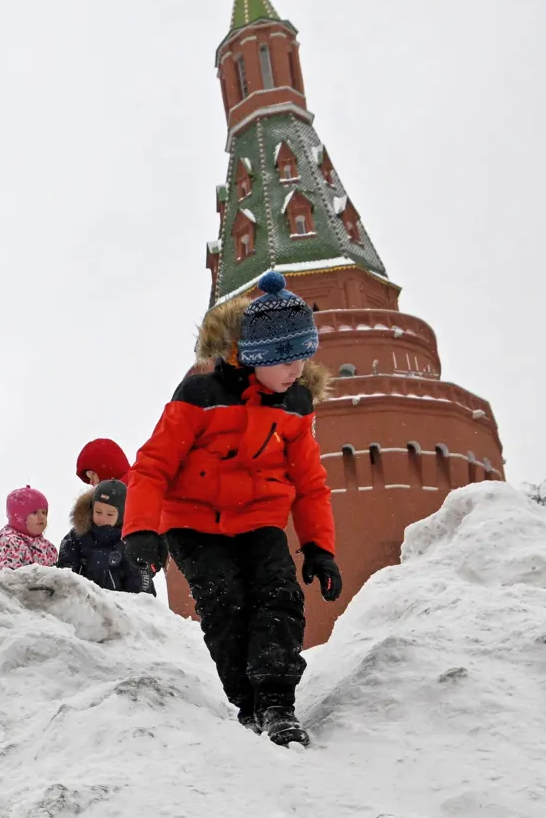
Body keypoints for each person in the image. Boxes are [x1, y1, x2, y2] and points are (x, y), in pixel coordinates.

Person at [123, 274, 345, 747]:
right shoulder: (200, 397)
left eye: (303, 355)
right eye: (285, 359)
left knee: (280, 596)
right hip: (192, 523)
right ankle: (247, 705)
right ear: (257, 355)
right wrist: (141, 529)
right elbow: (153, 464)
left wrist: (319, 549)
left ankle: (277, 702)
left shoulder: (296, 406)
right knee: (225, 602)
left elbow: (309, 484)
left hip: (259, 521)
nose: (296, 368)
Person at [58, 480, 153, 593]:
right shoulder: (77, 536)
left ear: (123, 514)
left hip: (117, 605)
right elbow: (65, 572)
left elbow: (140, 585)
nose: (102, 518)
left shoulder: (130, 544)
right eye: (98, 512)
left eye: (110, 514)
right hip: (82, 602)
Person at [0, 486, 60, 570]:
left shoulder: (49, 548)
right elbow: (9, 578)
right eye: (34, 513)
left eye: (44, 512)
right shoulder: (11, 543)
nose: (41, 517)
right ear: (18, 518)